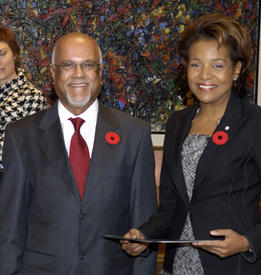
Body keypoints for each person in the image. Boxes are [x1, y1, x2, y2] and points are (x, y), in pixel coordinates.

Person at [122, 13, 261, 275]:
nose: (205, 75)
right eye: (196, 64)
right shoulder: (177, 123)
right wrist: (143, 234)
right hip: (177, 267)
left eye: (217, 66)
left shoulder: (258, 122)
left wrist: (247, 242)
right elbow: (171, 207)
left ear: (236, 69)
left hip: (233, 267)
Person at [0, 32, 157, 275]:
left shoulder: (134, 134)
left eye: (88, 65)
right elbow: (9, 230)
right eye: (67, 65)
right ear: (53, 73)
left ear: (101, 72)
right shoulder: (21, 136)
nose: (78, 74)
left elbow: (144, 229)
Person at [0, 26, 46, 179]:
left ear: (14, 54)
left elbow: (28, 151)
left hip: (10, 182)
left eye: (2, 53)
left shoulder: (32, 97)